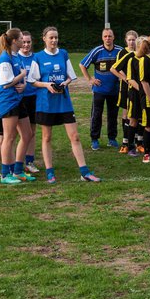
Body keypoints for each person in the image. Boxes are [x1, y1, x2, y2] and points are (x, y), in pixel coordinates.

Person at [27, 26, 100, 183]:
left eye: (56, 37)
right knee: (46, 137)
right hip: (46, 103)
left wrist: (64, 83)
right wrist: (47, 85)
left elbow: (70, 76)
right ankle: (50, 172)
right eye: (51, 37)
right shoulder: (38, 57)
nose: (54, 40)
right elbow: (32, 81)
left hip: (64, 102)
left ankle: (84, 172)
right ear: (44, 39)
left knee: (75, 136)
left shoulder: (64, 53)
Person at [0, 28, 32, 184]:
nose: (23, 41)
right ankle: (5, 174)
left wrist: (24, 84)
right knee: (9, 137)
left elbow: (19, 78)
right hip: (7, 100)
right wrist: (22, 75)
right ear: (14, 41)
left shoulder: (16, 56)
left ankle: (18, 170)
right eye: (21, 38)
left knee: (27, 134)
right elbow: (6, 83)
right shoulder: (5, 58)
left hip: (18, 99)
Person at [80, 28, 124, 151]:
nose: (107, 38)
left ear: (114, 37)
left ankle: (112, 138)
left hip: (115, 89)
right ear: (102, 38)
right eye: (105, 36)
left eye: (110, 36)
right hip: (99, 90)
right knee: (96, 115)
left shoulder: (120, 51)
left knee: (113, 115)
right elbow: (82, 65)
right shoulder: (97, 51)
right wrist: (90, 79)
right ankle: (94, 139)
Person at [125, 35, 150, 163]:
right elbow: (144, 82)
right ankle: (145, 153)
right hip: (148, 98)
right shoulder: (144, 60)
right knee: (149, 126)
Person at [111, 30, 138, 154]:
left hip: (137, 87)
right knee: (126, 113)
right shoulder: (122, 52)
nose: (132, 42)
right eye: (130, 39)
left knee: (137, 114)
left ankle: (138, 141)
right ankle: (125, 141)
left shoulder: (139, 52)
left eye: (134, 39)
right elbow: (118, 68)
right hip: (126, 88)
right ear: (126, 40)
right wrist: (126, 78)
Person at [16, 31, 40, 174]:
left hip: (33, 97)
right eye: (23, 42)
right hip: (18, 99)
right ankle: (14, 160)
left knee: (32, 131)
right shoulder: (14, 58)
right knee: (16, 133)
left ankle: (29, 161)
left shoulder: (36, 58)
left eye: (28, 42)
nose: (26, 45)